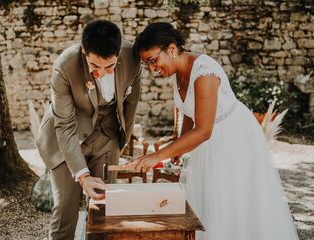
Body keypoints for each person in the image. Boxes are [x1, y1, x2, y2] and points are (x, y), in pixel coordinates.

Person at [128, 22, 298, 240]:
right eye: (147, 64)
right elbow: (190, 113)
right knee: (210, 201)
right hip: (209, 142)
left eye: (153, 60)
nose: (152, 68)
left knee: (230, 201)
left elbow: (203, 131)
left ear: (171, 49)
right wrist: (178, 148)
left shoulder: (204, 72)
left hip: (234, 138)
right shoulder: (178, 74)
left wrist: (156, 156)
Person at [36, 20, 141, 240]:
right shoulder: (64, 66)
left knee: (103, 208)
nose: (102, 73)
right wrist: (82, 176)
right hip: (66, 137)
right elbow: (64, 125)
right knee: (66, 210)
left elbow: (130, 107)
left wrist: (120, 144)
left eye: (110, 67)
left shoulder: (132, 58)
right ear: (84, 51)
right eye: (95, 67)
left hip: (107, 136)